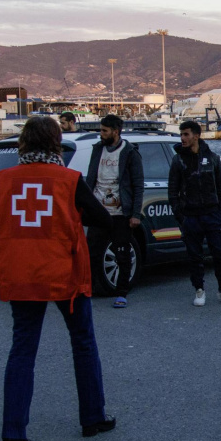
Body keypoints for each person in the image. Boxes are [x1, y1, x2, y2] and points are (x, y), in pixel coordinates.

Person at [0, 116, 116, 441]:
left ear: (23, 143)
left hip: (22, 276)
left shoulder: (4, 180)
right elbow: (100, 218)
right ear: (57, 142)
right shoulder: (68, 180)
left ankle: (13, 436)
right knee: (83, 343)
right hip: (65, 277)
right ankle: (92, 418)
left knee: (22, 351)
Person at [168, 120, 221, 306]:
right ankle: (199, 290)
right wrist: (181, 216)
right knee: (195, 256)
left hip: (213, 215)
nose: (183, 138)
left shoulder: (213, 158)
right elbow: (172, 191)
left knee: (220, 253)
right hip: (191, 217)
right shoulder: (178, 161)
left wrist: (220, 212)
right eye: (181, 134)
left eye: (186, 134)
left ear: (196, 135)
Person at [84, 114, 144, 308]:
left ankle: (122, 292)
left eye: (104, 131)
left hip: (120, 212)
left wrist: (135, 214)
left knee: (122, 252)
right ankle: (89, 289)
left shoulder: (130, 153)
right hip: (98, 212)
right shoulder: (97, 150)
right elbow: (91, 179)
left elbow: (138, 184)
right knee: (91, 252)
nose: (101, 134)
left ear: (115, 132)